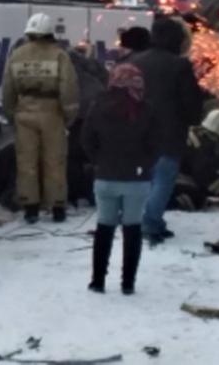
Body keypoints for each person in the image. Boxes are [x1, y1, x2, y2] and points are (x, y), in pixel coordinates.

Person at [82, 63, 157, 295]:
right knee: (132, 229)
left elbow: (86, 139)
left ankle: (97, 281)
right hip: (137, 179)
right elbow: (156, 144)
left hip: (105, 176)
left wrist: (98, 160)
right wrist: (144, 164)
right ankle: (128, 283)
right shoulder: (146, 108)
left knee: (104, 227)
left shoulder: (99, 105)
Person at [129, 18, 204, 243]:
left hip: (138, 129)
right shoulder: (180, 65)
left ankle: (147, 220)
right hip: (169, 131)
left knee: (144, 179)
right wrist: (193, 119)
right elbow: (191, 100)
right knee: (163, 179)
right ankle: (151, 223)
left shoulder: (136, 61)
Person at [2, 13, 80, 224]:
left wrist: (11, 115)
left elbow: (8, 90)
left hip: (24, 111)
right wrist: (69, 116)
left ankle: (30, 208)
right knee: (55, 160)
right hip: (52, 112)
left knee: (26, 162)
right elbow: (68, 88)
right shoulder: (59, 55)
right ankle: (57, 207)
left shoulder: (17, 55)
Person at [67, 42, 108, 206]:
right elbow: (106, 81)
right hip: (96, 113)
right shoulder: (95, 65)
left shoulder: (66, 66)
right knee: (93, 155)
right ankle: (91, 192)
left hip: (74, 115)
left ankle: (73, 194)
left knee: (72, 156)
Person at [173, 109, 219, 212]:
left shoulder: (195, 134)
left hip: (173, 176)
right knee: (195, 200)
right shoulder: (202, 145)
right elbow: (206, 173)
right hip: (175, 180)